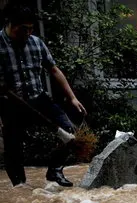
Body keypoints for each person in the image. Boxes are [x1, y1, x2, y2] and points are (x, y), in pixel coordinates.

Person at [0, 2, 86, 187]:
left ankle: (54, 171)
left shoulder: (36, 43)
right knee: (13, 148)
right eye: (23, 29)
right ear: (10, 24)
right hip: (12, 105)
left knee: (68, 130)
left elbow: (54, 70)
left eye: (30, 29)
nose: (27, 34)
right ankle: (20, 186)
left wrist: (72, 97)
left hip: (39, 99)